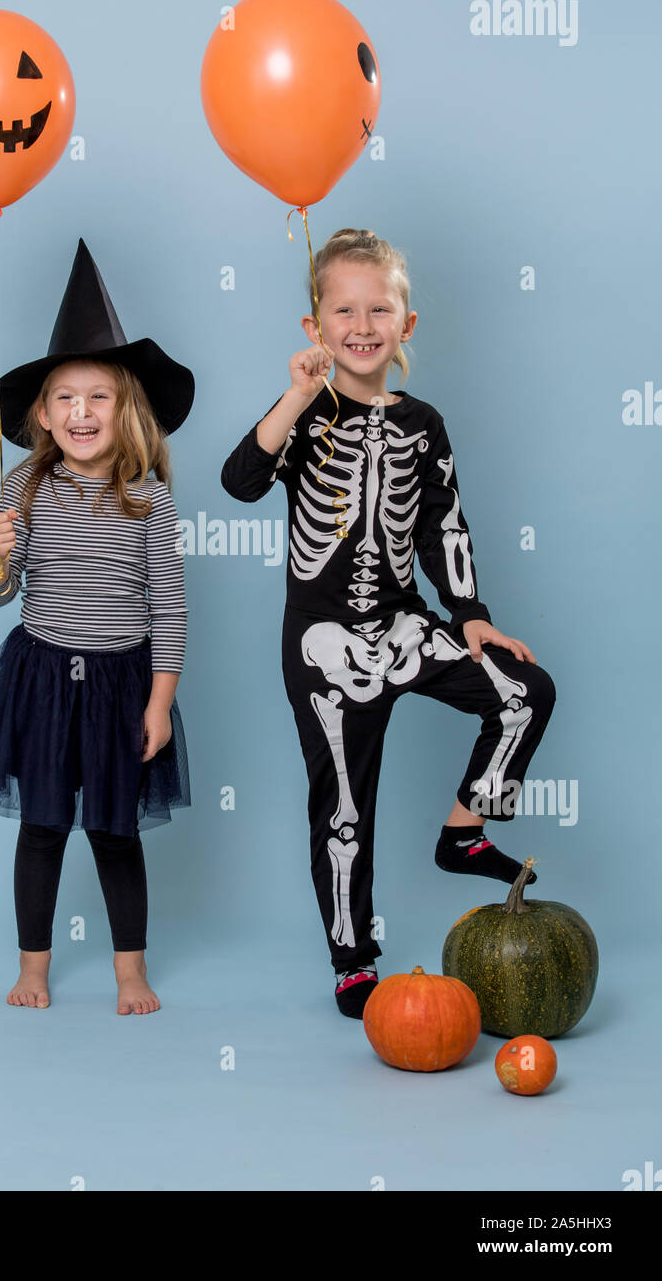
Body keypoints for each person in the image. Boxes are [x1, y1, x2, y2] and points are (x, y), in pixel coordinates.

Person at [220, 228, 556, 1019]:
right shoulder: (306, 414)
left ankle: (463, 833)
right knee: (343, 807)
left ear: (406, 326)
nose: (362, 325)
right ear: (316, 328)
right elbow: (239, 481)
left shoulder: (423, 422)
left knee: (524, 692)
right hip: (322, 643)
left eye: (380, 309)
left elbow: (445, 525)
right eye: (344, 310)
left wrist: (471, 617)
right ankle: (351, 958)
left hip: (406, 623)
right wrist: (297, 396)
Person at [0, 238, 194, 1016]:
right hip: (39, 675)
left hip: (119, 684)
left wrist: (159, 703)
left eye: (98, 397)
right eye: (65, 399)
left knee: (114, 831)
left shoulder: (148, 499)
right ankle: (34, 967)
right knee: (41, 826)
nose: (81, 413)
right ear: (41, 413)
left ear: (125, 409)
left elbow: (169, 606)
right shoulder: (25, 484)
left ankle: (130, 972)